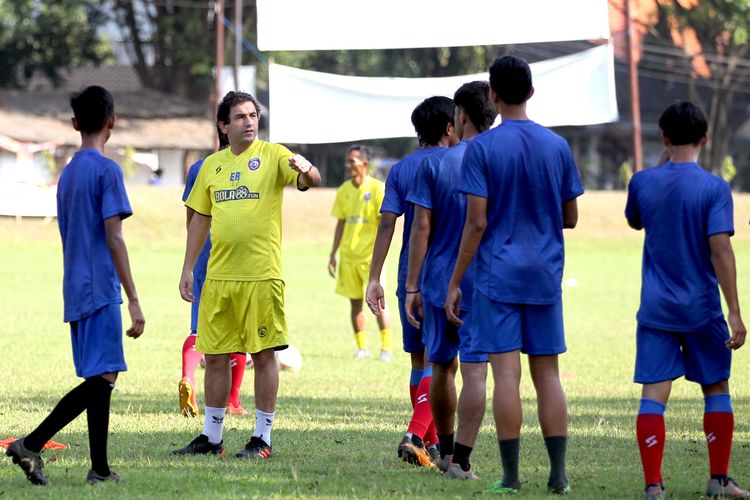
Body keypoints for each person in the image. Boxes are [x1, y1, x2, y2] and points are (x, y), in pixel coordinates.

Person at [445, 56, 583, 495]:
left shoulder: (482, 149)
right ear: (532, 92)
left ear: (494, 95)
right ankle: (558, 475)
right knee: (548, 375)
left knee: (506, 376)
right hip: (544, 274)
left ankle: (510, 476)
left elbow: (477, 223)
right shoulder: (557, 146)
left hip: (496, 278)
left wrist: (454, 281)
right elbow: (571, 216)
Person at [5, 85, 145, 485]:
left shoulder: (67, 174)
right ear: (112, 122)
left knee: (101, 377)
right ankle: (30, 444)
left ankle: (99, 470)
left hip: (74, 285)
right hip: (100, 286)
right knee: (103, 378)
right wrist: (134, 299)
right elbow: (114, 237)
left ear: (74, 124)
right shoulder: (107, 170)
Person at [171, 91, 320, 459]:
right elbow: (199, 221)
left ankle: (262, 438)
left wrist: (307, 169)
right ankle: (212, 437)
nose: (249, 122)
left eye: (253, 115)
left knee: (265, 355)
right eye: (239, 117)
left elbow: (311, 180)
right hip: (219, 278)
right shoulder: (210, 167)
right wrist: (188, 267)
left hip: (261, 276)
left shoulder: (273, 155)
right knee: (217, 356)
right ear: (223, 126)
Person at [625, 101, 748, 500]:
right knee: (716, 388)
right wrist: (734, 310)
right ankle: (718, 479)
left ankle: (654, 486)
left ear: (663, 138)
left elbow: (635, 220)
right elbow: (720, 252)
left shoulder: (642, 182)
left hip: (657, 310)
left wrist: (663, 162)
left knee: (654, 395)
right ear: (705, 139)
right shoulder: (714, 188)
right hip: (702, 309)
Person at [404, 81, 496, 479]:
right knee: (476, 370)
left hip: (439, 280)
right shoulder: (499, 160)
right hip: (486, 279)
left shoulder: (434, 164)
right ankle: (461, 459)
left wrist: (412, 286)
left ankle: (442, 448)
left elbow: (420, 228)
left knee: (441, 367)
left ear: (460, 115)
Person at [365, 96, 458, 466]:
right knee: (445, 364)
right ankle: (416, 433)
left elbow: (387, 222)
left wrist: (375, 276)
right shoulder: (458, 162)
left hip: (410, 274)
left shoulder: (402, 169)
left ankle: (430, 444)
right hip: (449, 272)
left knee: (419, 360)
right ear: (450, 126)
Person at [179, 128, 248, 417]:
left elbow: (191, 217)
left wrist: (192, 260)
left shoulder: (198, 168)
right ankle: (232, 400)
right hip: (239, 255)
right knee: (240, 333)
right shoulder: (247, 166)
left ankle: (188, 377)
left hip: (205, 252)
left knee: (200, 327)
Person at [329, 145, 393, 361]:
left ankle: (386, 349)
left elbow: (385, 224)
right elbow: (341, 223)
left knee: (379, 303)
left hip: (371, 258)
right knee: (354, 303)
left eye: (352, 161)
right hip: (348, 257)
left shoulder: (377, 189)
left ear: (364, 164)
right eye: (347, 161)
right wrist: (332, 254)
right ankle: (362, 348)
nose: (348, 165)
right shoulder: (344, 190)